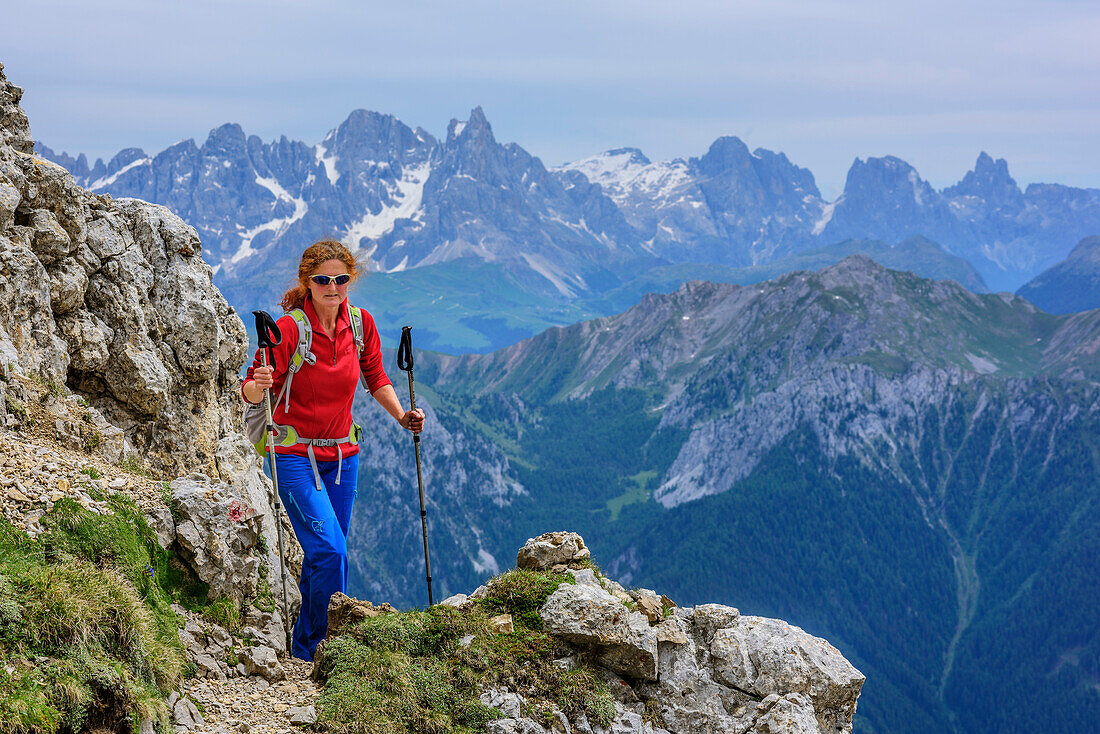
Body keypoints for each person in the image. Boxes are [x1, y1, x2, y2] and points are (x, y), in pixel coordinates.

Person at [242, 240, 424, 661]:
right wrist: (259, 384)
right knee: (331, 551)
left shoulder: (359, 325)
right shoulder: (289, 329)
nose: (333, 287)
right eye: (323, 280)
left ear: (350, 281)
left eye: (341, 279)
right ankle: (314, 652)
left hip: (344, 458)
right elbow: (251, 389)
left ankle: (308, 644)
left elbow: (376, 375)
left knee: (328, 556)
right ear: (307, 281)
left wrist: (401, 416)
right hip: (293, 456)